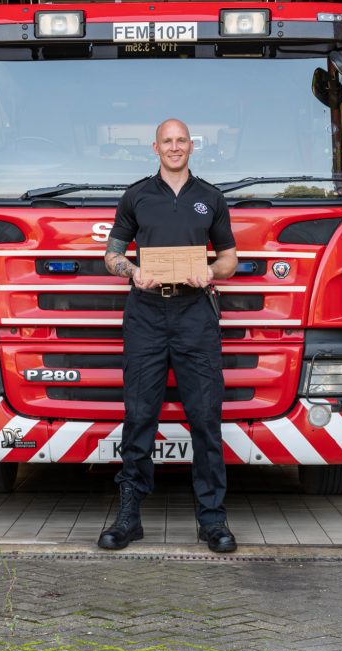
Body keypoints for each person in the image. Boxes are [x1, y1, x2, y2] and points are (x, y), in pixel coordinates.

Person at [97, 118, 239, 553]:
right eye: (167, 141)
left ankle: (212, 521)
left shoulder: (210, 198)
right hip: (146, 315)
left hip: (195, 313)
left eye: (181, 141)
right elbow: (111, 255)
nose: (175, 148)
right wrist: (133, 271)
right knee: (139, 417)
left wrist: (210, 271)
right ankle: (128, 517)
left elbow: (230, 259)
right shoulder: (136, 195)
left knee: (205, 419)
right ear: (154, 147)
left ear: (191, 146)